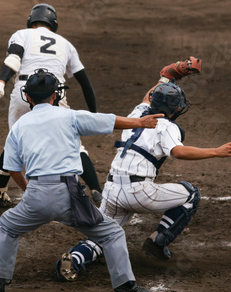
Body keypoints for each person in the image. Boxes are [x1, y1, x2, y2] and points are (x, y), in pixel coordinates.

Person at [0, 69, 164, 292]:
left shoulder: (19, 126)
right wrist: (140, 122)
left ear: (29, 97)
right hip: (70, 196)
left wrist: (28, 190)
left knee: (5, 227)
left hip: (36, 194)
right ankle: (126, 288)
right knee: (112, 233)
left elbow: (12, 167)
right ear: (55, 95)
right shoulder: (70, 116)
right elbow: (109, 121)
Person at [56, 57, 231, 278]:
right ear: (176, 108)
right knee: (190, 194)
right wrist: (217, 151)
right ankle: (158, 242)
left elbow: (148, 96)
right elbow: (178, 152)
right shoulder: (167, 126)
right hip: (139, 193)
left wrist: (167, 76)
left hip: (111, 191)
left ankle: (75, 259)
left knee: (101, 237)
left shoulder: (137, 114)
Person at [0, 3, 104, 209]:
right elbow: (85, 83)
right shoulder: (66, 44)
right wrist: (93, 115)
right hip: (54, 94)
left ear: (31, 21)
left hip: (25, 91)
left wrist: (1, 81)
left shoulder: (21, 34)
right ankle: (96, 190)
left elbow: (14, 58)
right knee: (73, 144)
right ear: (54, 24)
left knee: (15, 142)